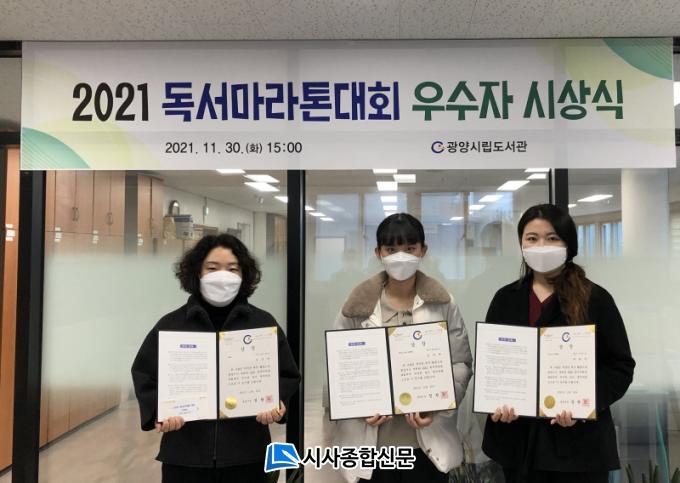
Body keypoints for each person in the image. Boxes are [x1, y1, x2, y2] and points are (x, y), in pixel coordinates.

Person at [481, 204, 635, 483]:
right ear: (521, 245)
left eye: (552, 238)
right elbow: (493, 364)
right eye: (532, 238)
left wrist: (584, 404)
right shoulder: (506, 298)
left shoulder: (595, 299)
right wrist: (497, 403)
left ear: (568, 244)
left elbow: (620, 367)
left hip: (578, 447)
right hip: (518, 444)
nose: (541, 246)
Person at [131, 234, 301, 483]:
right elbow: (144, 372)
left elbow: (287, 374)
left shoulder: (262, 324)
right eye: (212, 268)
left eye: (232, 269)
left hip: (248, 454)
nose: (223, 276)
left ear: (244, 275)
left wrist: (278, 402)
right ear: (197, 273)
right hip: (185, 455)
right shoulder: (172, 325)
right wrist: (160, 410)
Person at [332, 213, 473, 483]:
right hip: (372, 448)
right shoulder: (356, 306)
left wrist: (437, 406)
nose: (401, 257)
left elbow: (461, 363)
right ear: (378, 253)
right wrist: (359, 406)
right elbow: (339, 369)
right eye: (391, 249)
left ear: (423, 251)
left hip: (428, 447)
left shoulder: (443, 303)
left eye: (409, 248)